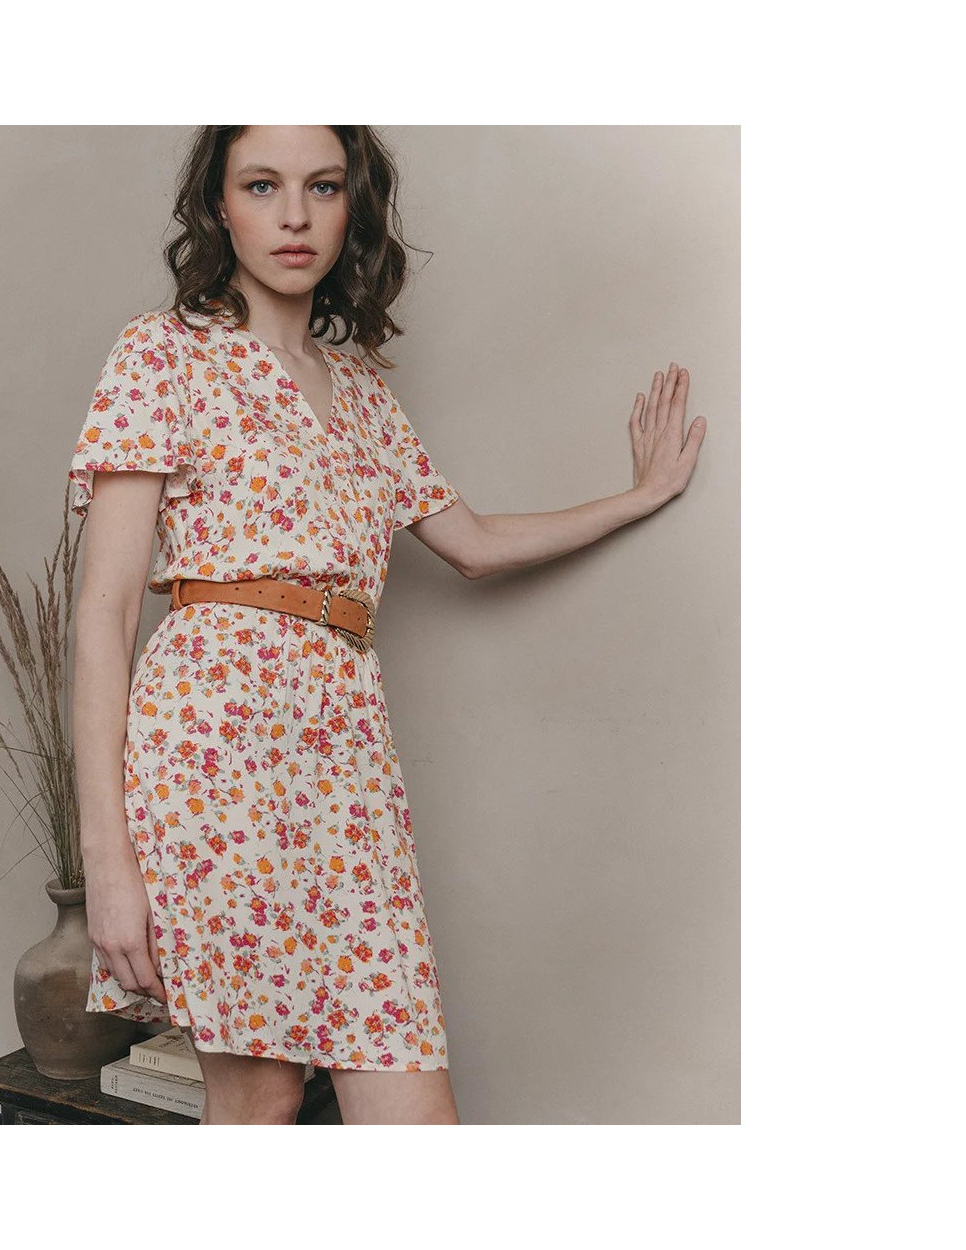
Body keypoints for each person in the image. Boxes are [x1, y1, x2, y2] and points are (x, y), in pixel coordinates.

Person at [68, 125, 707, 1126]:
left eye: (322, 186)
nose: (293, 214)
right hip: (209, 752)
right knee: (261, 1097)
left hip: (345, 764)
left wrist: (639, 495)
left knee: (410, 1109)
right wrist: (108, 865)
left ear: (350, 206)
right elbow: (103, 614)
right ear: (219, 205)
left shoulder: (362, 390)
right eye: (262, 185)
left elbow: (474, 542)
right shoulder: (164, 353)